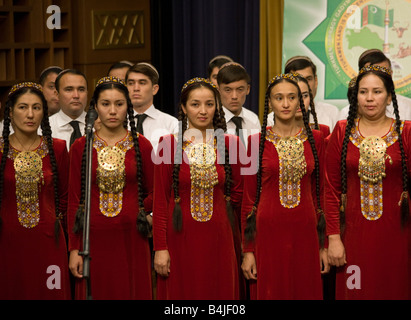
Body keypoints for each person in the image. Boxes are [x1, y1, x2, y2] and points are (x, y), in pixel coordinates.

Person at [325, 65, 411, 299]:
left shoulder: (406, 132)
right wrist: (333, 238)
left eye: (377, 91)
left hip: (398, 237)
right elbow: (331, 189)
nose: (370, 98)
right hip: (352, 238)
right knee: (356, 290)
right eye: (363, 92)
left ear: (390, 95)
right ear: (356, 96)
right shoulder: (342, 131)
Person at [153, 77, 243, 299]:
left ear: (217, 107)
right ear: (183, 107)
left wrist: (246, 248)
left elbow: (241, 197)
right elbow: (160, 202)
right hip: (180, 241)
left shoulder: (230, 144)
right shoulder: (168, 145)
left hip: (220, 240)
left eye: (209, 104)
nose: (203, 111)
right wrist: (160, 248)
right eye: (195, 104)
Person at [241, 73, 328, 300]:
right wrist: (248, 250)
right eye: (279, 98)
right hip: (267, 231)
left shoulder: (317, 139)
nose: (286, 104)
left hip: (306, 231)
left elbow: (321, 194)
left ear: (301, 101)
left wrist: (324, 244)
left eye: (292, 97)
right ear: (270, 102)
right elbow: (249, 199)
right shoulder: (254, 142)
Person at [67, 76, 154, 300]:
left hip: (132, 239)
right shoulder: (81, 146)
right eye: (106, 104)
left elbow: (155, 192)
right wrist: (74, 248)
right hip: (92, 239)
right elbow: (74, 200)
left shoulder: (141, 145)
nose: (112, 111)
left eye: (119, 104)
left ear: (128, 107)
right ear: (95, 107)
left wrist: (138, 211)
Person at [0, 82, 70, 299]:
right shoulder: (0, 150)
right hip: (8, 244)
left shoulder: (57, 148)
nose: (30, 114)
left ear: (44, 112)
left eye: (36, 107)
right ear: (10, 112)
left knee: (52, 292)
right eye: (22, 107)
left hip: (50, 243)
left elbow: (66, 199)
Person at [338, 49, 411, 121]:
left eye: (383, 73)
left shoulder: (408, 107)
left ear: (391, 74)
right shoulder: (346, 113)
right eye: (371, 72)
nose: (376, 78)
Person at [126, 62, 178, 154]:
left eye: (142, 83)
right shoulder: (117, 122)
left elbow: (178, 162)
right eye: (131, 83)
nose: (136, 88)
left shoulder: (172, 124)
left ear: (154, 89)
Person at [282, 56, 340, 131]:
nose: (304, 84)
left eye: (308, 79)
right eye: (297, 79)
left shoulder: (332, 113)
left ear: (315, 81)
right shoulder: (272, 120)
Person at [269, 73, 330, 138]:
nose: (301, 101)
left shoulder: (322, 132)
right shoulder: (264, 136)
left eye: (305, 96)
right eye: (292, 97)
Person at [217, 62, 261, 149]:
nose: (234, 96)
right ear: (218, 91)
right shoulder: (212, 119)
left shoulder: (253, 119)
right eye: (228, 90)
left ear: (247, 89)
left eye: (240, 89)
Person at [49, 69, 88, 151]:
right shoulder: (44, 128)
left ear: (87, 93)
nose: (76, 95)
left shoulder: (98, 126)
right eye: (69, 89)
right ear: (57, 94)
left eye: (81, 89)